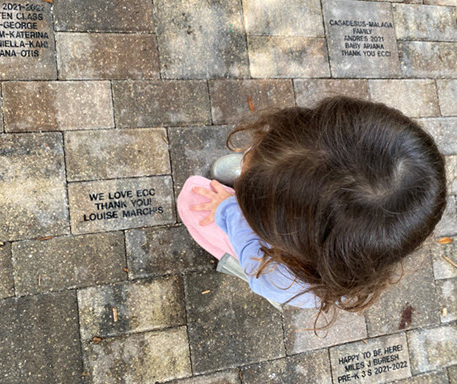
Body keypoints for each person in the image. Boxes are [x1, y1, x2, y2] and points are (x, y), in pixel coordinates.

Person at [177, 96, 447, 331]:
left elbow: (252, 252)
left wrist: (227, 207)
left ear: (285, 232)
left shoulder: (273, 273)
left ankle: (235, 249)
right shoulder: (365, 253)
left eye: (252, 160)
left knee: (193, 197)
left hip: (258, 259)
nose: (247, 155)